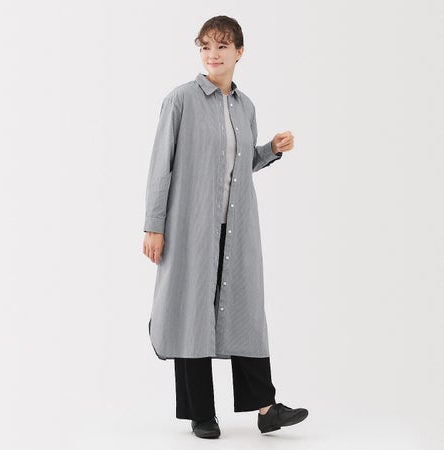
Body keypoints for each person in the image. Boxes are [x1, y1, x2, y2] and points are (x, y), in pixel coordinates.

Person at [142, 15, 308, 438]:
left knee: (245, 313)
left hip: (237, 229)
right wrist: (153, 226)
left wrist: (270, 149)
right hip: (190, 228)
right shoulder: (180, 100)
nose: (212, 55)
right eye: (205, 47)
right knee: (191, 313)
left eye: (221, 46)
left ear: (239, 52)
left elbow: (240, 165)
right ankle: (201, 413)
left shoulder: (245, 107)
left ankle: (267, 408)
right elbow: (161, 167)